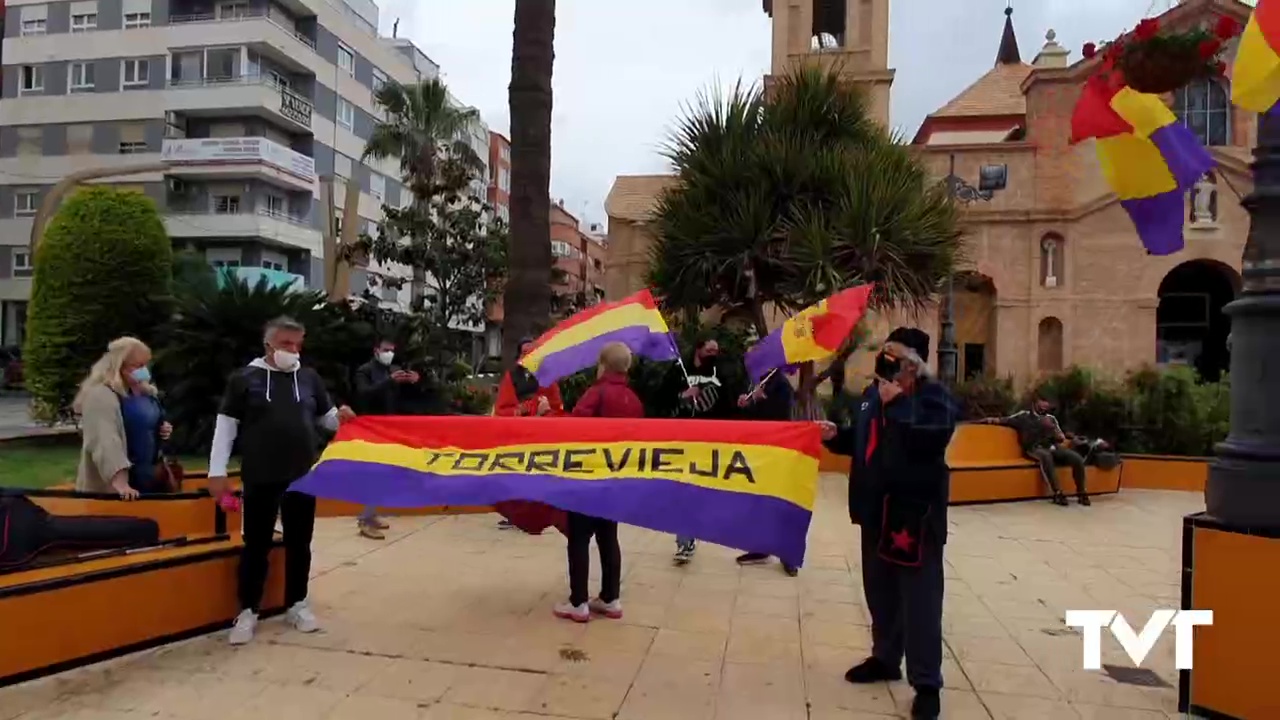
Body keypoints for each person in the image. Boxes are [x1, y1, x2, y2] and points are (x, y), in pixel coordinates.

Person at [817, 327, 955, 720]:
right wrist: (836, 437)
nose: (885, 361)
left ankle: (927, 684)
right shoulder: (871, 396)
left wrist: (897, 406)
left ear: (914, 363)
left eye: (894, 355)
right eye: (885, 353)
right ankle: (885, 657)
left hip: (914, 516)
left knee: (920, 602)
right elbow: (866, 442)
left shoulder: (933, 401)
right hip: (873, 511)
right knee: (879, 592)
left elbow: (927, 444)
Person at [207, 316, 356, 646]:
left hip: (302, 474)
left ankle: (297, 603)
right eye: (287, 344)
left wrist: (340, 418)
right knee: (256, 544)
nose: (294, 350)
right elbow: (226, 427)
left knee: (300, 543)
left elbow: (326, 420)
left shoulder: (309, 378)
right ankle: (247, 610)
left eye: (299, 343)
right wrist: (216, 472)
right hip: (260, 475)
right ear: (269, 345)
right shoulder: (245, 379)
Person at [553, 342, 644, 622]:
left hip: (588, 479)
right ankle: (610, 598)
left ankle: (578, 602)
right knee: (608, 537)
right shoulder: (633, 399)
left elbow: (573, 429)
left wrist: (547, 415)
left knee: (578, 539)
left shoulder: (597, 393)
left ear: (602, 365)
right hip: (615, 481)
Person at [660, 337, 738, 564]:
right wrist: (682, 396)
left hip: (711, 442)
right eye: (709, 348)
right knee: (684, 490)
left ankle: (695, 532)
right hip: (681, 440)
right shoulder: (678, 370)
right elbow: (660, 399)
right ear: (698, 349)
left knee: (701, 492)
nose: (714, 352)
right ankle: (685, 542)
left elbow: (729, 405)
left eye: (716, 349)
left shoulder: (722, 372)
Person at [73, 337, 174, 499]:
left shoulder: (144, 392)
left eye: (145, 365)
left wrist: (162, 428)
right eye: (137, 366)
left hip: (150, 478)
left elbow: (149, 420)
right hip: (118, 487)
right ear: (119, 366)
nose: (143, 370)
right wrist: (120, 483)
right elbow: (105, 440)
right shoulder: (100, 395)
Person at [734, 365, 800, 576]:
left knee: (781, 504)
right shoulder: (757, 382)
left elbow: (780, 419)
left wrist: (762, 400)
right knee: (759, 501)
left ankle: (788, 555)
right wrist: (746, 403)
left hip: (778, 451)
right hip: (759, 451)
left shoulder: (781, 386)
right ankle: (761, 547)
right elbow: (754, 420)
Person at [351, 336, 420, 539]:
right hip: (370, 427)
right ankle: (365, 518)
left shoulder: (393, 370)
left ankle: (371, 513)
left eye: (392, 350)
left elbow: (404, 398)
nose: (389, 354)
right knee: (373, 473)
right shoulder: (365, 371)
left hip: (390, 427)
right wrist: (389, 381)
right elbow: (363, 394)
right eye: (385, 349)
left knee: (385, 473)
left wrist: (413, 382)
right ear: (376, 350)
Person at [493, 336, 564, 530]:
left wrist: (546, 411)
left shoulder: (548, 378)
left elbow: (558, 411)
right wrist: (522, 411)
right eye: (525, 352)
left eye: (532, 351)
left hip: (542, 439)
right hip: (518, 438)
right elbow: (502, 411)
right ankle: (514, 514)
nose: (529, 355)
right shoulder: (511, 378)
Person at [977, 395, 1089, 506]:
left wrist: (1054, 431)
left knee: (1076, 458)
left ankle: (1081, 492)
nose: (1046, 405)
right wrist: (987, 420)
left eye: (1047, 402)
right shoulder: (1023, 416)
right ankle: (1057, 493)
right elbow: (1004, 420)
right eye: (1043, 401)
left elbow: (1061, 438)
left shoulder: (1051, 418)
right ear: (1035, 403)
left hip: (1052, 447)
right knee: (1046, 457)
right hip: (1034, 448)